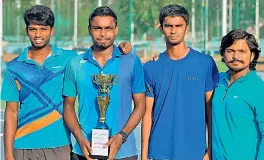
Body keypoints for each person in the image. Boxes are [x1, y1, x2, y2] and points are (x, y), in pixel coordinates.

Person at [1, 5, 131, 160]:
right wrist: (8, 154)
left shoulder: (69, 59)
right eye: (32, 29)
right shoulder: (14, 67)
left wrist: (122, 47)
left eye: (43, 29)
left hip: (60, 146)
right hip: (23, 147)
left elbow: (98, 53)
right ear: (26, 31)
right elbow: (11, 112)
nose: (37, 34)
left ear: (52, 30)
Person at [63, 6, 145, 160]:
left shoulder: (132, 61)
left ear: (116, 29)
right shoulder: (75, 63)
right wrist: (80, 139)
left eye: (108, 28)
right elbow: (68, 107)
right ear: (89, 29)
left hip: (124, 152)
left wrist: (122, 136)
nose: (103, 34)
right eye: (97, 28)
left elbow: (140, 106)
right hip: (84, 150)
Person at [141, 4, 219, 160]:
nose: (173, 30)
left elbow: (211, 111)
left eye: (178, 25)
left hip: (195, 154)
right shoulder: (150, 68)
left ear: (187, 28)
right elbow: (147, 114)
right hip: (158, 154)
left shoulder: (205, 63)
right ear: (161, 28)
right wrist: (144, 155)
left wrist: (210, 151)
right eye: (168, 26)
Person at [212, 29, 264, 160]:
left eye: (242, 51)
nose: (236, 56)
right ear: (223, 53)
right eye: (230, 51)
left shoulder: (259, 89)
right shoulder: (215, 81)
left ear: (252, 55)